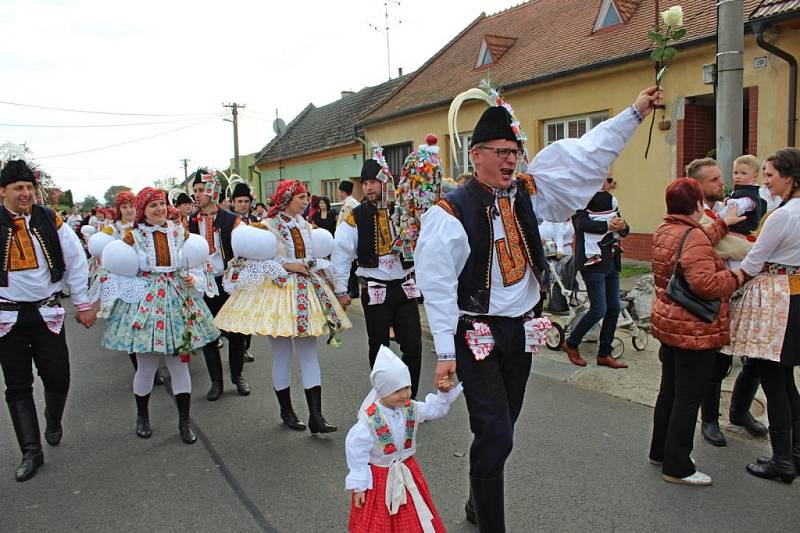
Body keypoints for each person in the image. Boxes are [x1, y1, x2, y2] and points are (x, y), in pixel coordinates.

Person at [415, 84, 662, 531]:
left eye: (515, 151)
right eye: (500, 152)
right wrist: (447, 355)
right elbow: (435, 286)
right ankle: (492, 522)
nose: (511, 160)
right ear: (475, 155)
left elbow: (585, 156)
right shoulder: (449, 212)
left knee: (502, 427)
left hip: (522, 330)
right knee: (495, 431)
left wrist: (634, 113)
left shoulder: (530, 191)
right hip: (477, 335)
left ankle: (476, 501)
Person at [214, 179, 351, 433]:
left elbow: (314, 257)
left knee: (309, 353)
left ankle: (316, 416)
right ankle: (287, 411)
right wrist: (287, 265)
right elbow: (253, 259)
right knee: (282, 355)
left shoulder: (305, 225)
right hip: (278, 293)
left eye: (305, 196)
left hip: (305, 291)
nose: (305, 201)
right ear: (288, 200)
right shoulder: (267, 226)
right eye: (301, 197)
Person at [97, 187, 220, 444]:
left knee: (179, 363)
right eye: (153, 206)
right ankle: (142, 417)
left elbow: (195, 262)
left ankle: (184, 421)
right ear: (144, 210)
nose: (160, 209)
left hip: (177, 300)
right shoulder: (134, 236)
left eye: (162, 204)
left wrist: (191, 277)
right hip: (147, 302)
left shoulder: (178, 233)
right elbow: (119, 268)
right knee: (147, 365)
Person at [0, 159, 96, 482]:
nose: (26, 193)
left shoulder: (49, 219)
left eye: (29, 187)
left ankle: (53, 419)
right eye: (18, 188)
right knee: (17, 385)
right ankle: (31, 451)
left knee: (58, 377)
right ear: (3, 191)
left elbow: (75, 260)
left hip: (46, 312)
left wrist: (82, 302)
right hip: (6, 316)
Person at [648, 178, 746, 486]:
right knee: (688, 397)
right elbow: (706, 284)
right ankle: (678, 466)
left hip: (670, 323)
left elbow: (694, 242)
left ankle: (661, 451)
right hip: (695, 328)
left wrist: (723, 226)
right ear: (697, 204)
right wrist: (738, 275)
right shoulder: (692, 237)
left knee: (670, 391)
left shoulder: (667, 230)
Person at [724, 148, 800, 484]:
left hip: (773, 299)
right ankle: (795, 453)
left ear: (790, 177)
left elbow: (755, 261)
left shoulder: (784, 215)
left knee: (773, 381)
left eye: (770, 175)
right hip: (794, 294)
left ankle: (782, 461)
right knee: (785, 380)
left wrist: (730, 283)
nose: (766, 181)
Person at [686, 158, 768, 447]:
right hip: (718, 298)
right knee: (718, 362)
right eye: (716, 180)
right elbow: (729, 245)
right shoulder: (698, 216)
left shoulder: (722, 211)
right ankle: (709, 419)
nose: (724, 183)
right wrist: (763, 248)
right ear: (699, 186)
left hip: (744, 290)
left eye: (723, 177)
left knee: (754, 358)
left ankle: (740, 411)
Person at [332, 147, 423, 398]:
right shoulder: (355, 216)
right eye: (365, 183)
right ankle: (385, 397)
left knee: (414, 346)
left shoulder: (403, 211)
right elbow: (342, 253)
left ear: (385, 181)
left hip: (405, 286)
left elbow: (422, 245)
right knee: (379, 347)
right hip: (375, 287)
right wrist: (340, 289)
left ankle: (409, 397)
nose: (369, 187)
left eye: (373, 181)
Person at [346, 346, 462, 533]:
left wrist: (443, 394)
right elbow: (356, 451)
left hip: (407, 472)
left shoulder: (411, 408)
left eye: (407, 387)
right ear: (382, 391)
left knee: (413, 512)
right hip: (378, 479)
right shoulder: (369, 420)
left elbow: (435, 410)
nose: (405, 394)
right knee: (379, 519)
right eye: (397, 390)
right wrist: (359, 486)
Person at [188, 169, 250, 400]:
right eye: (195, 191)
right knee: (208, 334)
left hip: (227, 282)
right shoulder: (189, 223)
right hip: (202, 283)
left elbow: (244, 249)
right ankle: (216, 381)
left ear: (213, 191)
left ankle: (237, 376)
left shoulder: (231, 220)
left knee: (235, 332)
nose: (197, 195)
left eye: (201, 190)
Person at [562, 185, 630, 369]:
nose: (610, 183)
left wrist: (623, 227)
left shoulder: (611, 199)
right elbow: (581, 224)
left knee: (614, 308)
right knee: (599, 309)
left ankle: (604, 354)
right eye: (606, 178)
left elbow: (623, 226)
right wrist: (607, 225)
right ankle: (572, 343)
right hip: (592, 263)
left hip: (611, 261)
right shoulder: (581, 197)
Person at [228, 180, 257, 362]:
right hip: (234, 271)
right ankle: (237, 347)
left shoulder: (256, 221)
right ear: (233, 202)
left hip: (252, 270)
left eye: (246, 201)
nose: (243, 205)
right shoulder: (229, 222)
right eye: (240, 201)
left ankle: (247, 346)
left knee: (250, 311)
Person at [726, 154, 768, 238]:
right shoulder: (743, 191)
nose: (738, 176)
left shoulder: (747, 195)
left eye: (743, 173)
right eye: (735, 173)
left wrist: (718, 216)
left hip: (741, 233)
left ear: (755, 176)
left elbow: (733, 210)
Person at [336, 180, 360, 299]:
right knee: (350, 268)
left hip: (348, 239)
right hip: (348, 239)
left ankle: (354, 291)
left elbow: (349, 223)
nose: (339, 194)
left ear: (343, 192)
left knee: (351, 268)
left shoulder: (350, 204)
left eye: (339, 191)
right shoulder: (349, 202)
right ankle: (352, 289)